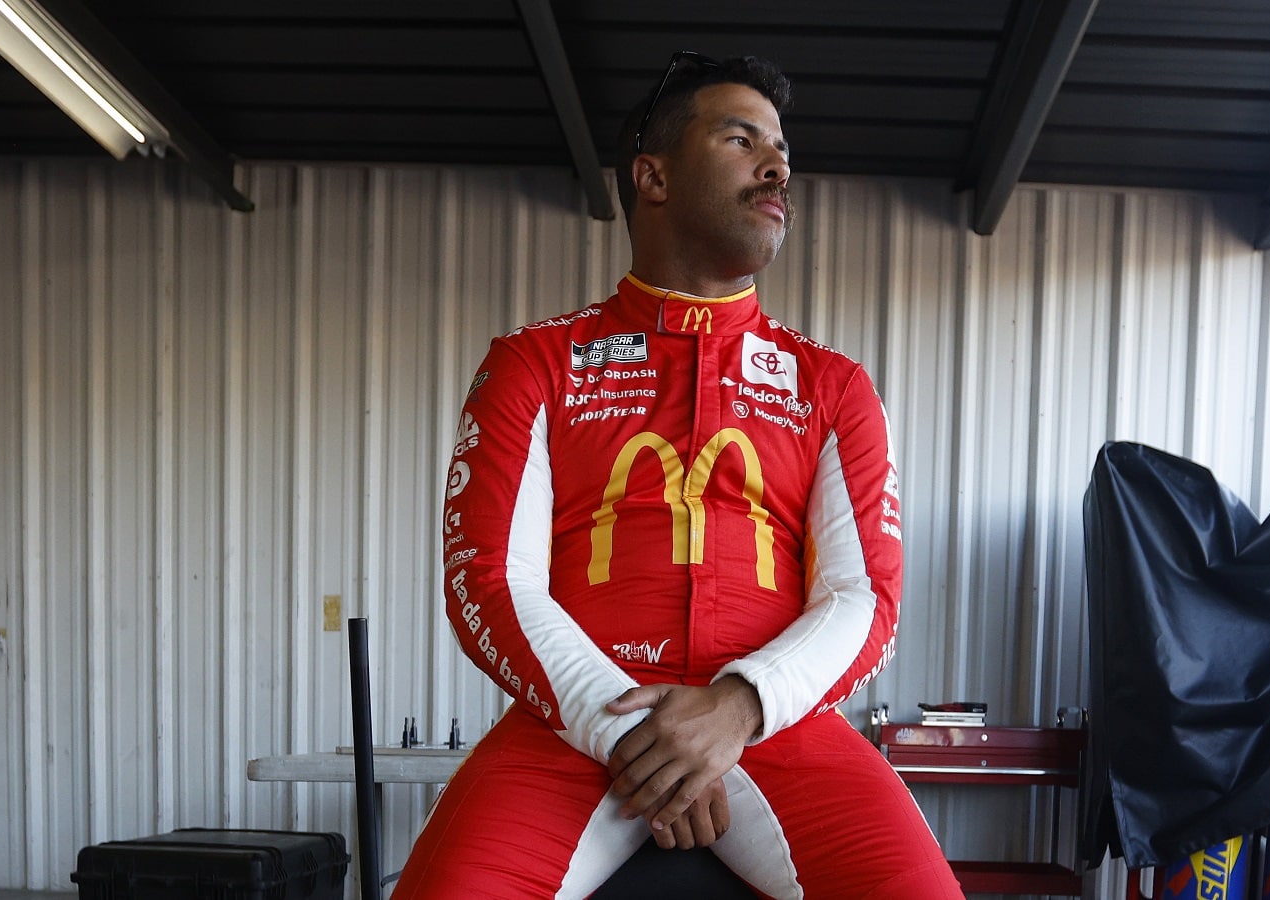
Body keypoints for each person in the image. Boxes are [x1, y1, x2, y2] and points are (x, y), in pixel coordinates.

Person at [392, 53, 964, 899]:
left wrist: (734, 711)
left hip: (782, 731)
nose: (778, 167)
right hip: (573, 735)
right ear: (651, 177)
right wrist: (643, 736)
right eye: (743, 140)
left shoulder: (834, 386)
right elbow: (488, 579)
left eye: (782, 152)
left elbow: (865, 599)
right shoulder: (534, 364)